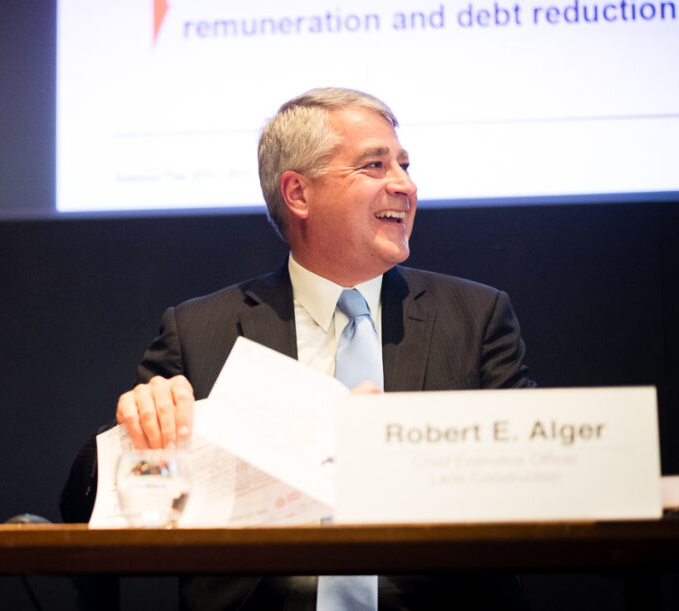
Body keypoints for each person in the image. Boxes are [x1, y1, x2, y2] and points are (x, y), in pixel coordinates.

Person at [62, 88, 534, 610]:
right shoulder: (200, 330)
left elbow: (529, 478)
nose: (405, 185)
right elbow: (91, 496)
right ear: (298, 194)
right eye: (374, 165)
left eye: (403, 164)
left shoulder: (475, 317)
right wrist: (140, 432)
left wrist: (401, 453)